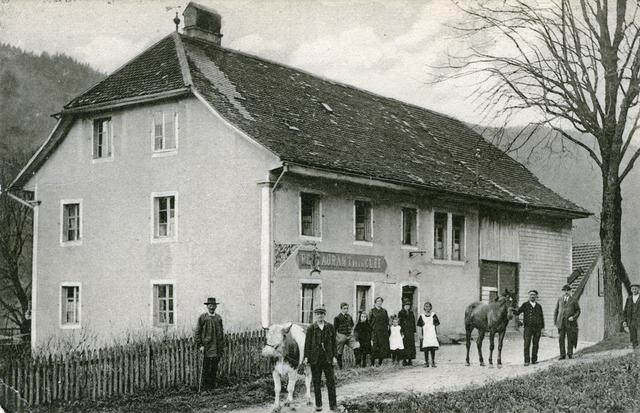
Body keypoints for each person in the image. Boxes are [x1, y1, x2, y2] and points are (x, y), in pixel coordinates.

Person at [303, 305, 338, 412]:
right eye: (318, 314)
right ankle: (319, 405)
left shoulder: (330, 327)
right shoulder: (311, 328)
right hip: (315, 359)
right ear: (315, 316)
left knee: (331, 382)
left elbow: (334, 344)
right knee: (316, 383)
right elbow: (307, 344)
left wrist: (334, 357)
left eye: (322, 314)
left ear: (324, 315)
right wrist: (306, 357)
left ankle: (333, 406)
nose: (320, 316)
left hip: (327, 358)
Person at [195, 297, 225, 390]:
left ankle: (212, 386)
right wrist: (200, 345)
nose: (212, 307)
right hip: (207, 346)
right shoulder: (203, 317)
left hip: (217, 346)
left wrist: (221, 345)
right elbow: (198, 332)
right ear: (207, 306)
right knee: (206, 367)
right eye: (210, 305)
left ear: (216, 306)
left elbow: (221, 332)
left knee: (214, 367)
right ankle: (205, 387)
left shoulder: (218, 318)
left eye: (213, 305)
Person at [514, 290, 545, 366]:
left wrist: (542, 327)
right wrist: (513, 310)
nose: (532, 296)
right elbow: (517, 312)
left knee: (535, 344)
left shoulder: (539, 306)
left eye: (534, 295)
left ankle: (534, 360)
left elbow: (541, 317)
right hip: (528, 328)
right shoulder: (525, 305)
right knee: (527, 344)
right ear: (529, 296)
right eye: (531, 295)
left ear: (536, 296)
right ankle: (526, 361)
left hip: (537, 328)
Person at [554, 284, 581, 359]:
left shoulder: (574, 300)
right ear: (563, 291)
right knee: (561, 338)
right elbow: (556, 311)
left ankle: (570, 353)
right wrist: (556, 321)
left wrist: (573, 317)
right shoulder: (559, 299)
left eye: (567, 290)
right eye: (564, 290)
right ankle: (562, 354)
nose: (566, 292)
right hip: (561, 322)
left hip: (570, 322)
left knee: (570, 338)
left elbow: (578, 311)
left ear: (570, 291)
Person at [334, 302, 358, 369]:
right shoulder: (337, 318)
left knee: (356, 347)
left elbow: (352, 325)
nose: (346, 310)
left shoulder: (349, 317)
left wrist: (350, 333)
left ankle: (357, 365)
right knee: (339, 352)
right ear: (341, 309)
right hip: (341, 336)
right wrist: (337, 337)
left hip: (349, 336)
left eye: (347, 308)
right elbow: (335, 329)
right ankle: (340, 367)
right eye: (344, 308)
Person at [417, 301, 439, 367]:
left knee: (432, 348)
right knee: (426, 348)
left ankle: (433, 362)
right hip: (425, 334)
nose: (427, 308)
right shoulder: (422, 316)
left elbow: (437, 325)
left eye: (429, 306)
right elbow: (419, 326)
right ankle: (426, 362)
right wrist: (420, 335)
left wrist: (437, 334)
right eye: (426, 306)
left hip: (432, 334)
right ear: (424, 307)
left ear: (431, 307)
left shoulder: (433, 315)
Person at [369, 296, 390, 366]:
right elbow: (369, 322)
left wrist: (387, 330)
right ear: (375, 302)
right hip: (374, 331)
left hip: (383, 332)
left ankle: (380, 363)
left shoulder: (384, 311)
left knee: (382, 347)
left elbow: (387, 321)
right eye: (378, 301)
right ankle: (372, 363)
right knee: (374, 347)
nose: (379, 303)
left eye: (380, 301)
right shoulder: (372, 311)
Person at [398, 299, 416, 366]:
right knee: (404, 345)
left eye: (408, 305)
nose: (407, 307)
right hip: (404, 331)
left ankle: (410, 360)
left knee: (411, 345)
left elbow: (413, 322)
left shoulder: (411, 313)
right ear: (403, 306)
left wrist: (414, 330)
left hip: (410, 331)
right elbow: (400, 323)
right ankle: (404, 360)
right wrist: (401, 331)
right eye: (406, 305)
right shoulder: (401, 313)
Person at [623, 283, 640, 349]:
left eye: (636, 289)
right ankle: (634, 346)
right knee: (633, 334)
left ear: (638, 289)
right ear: (631, 290)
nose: (634, 290)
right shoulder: (629, 299)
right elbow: (625, 310)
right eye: (633, 289)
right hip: (631, 319)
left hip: (639, 319)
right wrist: (624, 320)